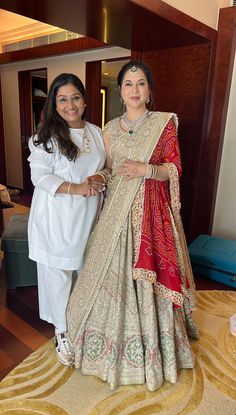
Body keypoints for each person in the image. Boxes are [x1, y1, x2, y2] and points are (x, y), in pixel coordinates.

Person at [66, 61, 199, 391]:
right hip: (115, 215)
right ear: (120, 90)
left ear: (149, 90)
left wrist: (147, 170)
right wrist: (100, 176)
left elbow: (174, 169)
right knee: (104, 275)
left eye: (141, 84)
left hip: (151, 216)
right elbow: (111, 171)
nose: (135, 90)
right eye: (128, 83)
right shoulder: (108, 129)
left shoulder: (164, 124)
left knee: (149, 275)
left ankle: (157, 348)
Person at [27, 73, 106, 366]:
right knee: (58, 276)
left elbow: (107, 167)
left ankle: (82, 321)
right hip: (56, 217)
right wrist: (76, 188)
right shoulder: (44, 138)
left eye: (75, 98)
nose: (70, 105)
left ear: (85, 101)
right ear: (54, 104)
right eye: (62, 99)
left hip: (88, 216)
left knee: (84, 272)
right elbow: (39, 177)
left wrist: (100, 176)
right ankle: (62, 333)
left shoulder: (97, 133)